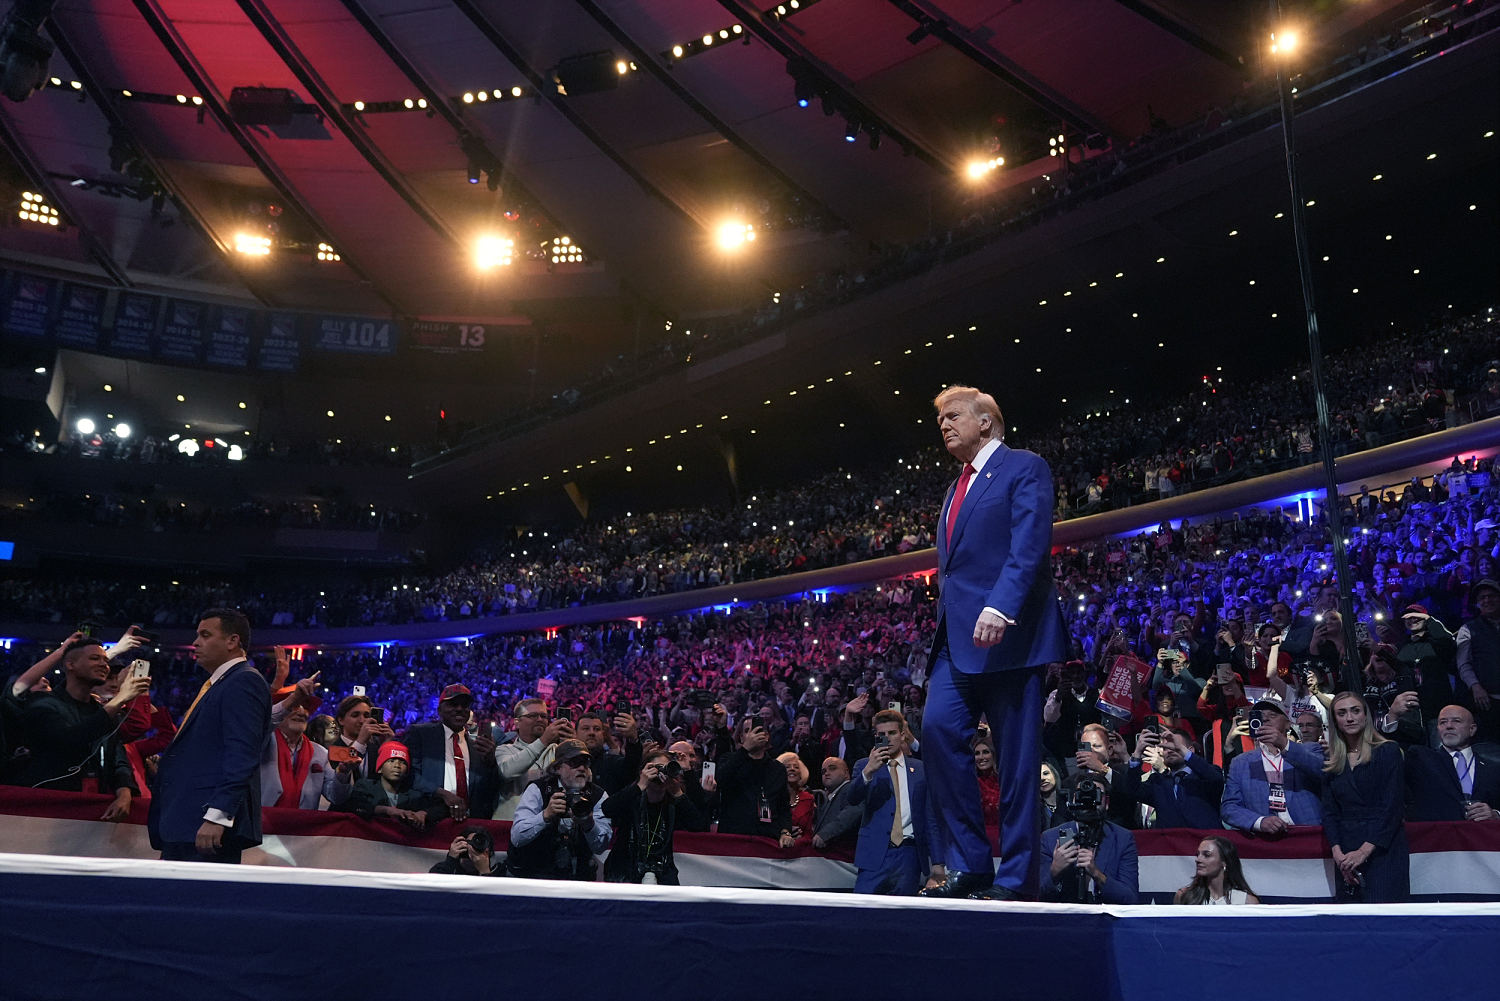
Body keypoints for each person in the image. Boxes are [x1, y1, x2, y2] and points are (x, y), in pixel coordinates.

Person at [922, 385, 1068, 901]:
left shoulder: (1023, 466)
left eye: (953, 415)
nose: (943, 423)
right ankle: (971, 863)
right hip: (955, 641)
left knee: (1017, 765)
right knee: (937, 730)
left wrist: (1001, 605)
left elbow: (1030, 542)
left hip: (1011, 638)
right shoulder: (956, 485)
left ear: (986, 422)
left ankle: (1017, 878)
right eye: (940, 417)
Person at [148, 609, 272, 863]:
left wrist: (218, 816)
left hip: (205, 823)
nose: (195, 643)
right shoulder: (223, 683)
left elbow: (243, 754)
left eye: (205, 635)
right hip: (187, 820)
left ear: (232, 641)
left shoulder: (243, 681)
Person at [8, 637, 149, 801]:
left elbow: (117, 756)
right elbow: (70, 739)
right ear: (70, 665)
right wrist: (120, 699)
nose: (105, 665)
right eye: (95, 658)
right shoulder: (44, 704)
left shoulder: (99, 710)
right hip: (46, 804)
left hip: (92, 805)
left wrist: (124, 790)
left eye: (105, 660)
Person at [1323, 692, 1409, 902]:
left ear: (1365, 716)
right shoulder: (1331, 761)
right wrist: (1337, 852)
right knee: (1351, 923)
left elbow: (1393, 807)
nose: (1349, 718)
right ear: (1335, 721)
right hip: (1345, 852)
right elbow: (1330, 812)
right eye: (1342, 713)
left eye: (1355, 711)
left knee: (1384, 919)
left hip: (1382, 848)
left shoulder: (1388, 751)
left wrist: (1363, 852)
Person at [847, 709, 931, 895]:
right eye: (882, 734)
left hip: (909, 855)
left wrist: (938, 864)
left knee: (902, 917)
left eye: (892, 733)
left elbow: (929, 817)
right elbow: (852, 799)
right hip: (875, 852)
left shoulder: (920, 769)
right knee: (862, 912)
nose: (888, 738)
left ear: (902, 735)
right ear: (876, 736)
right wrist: (868, 772)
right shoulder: (864, 765)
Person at [507, 738, 612, 880]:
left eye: (585, 763)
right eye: (574, 763)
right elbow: (517, 837)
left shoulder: (598, 795)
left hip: (579, 878)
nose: (581, 768)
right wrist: (545, 816)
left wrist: (589, 824)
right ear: (557, 768)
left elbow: (601, 847)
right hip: (536, 875)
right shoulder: (538, 789)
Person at [602, 747, 705, 884]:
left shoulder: (674, 804)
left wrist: (677, 792)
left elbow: (699, 826)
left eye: (664, 768)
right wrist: (640, 784)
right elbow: (607, 809)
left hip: (663, 872)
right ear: (643, 771)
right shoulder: (632, 797)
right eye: (654, 768)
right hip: (626, 872)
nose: (659, 773)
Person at [1220, 701, 1324, 834]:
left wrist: (1284, 744)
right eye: (1260, 716)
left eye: (1273, 715)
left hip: (1309, 836)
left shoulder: (1310, 749)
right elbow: (1229, 807)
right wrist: (1259, 821)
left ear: (1288, 724)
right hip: (1266, 842)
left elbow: (1323, 771)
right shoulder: (1240, 763)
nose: (1265, 718)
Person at [402, 684, 500, 821]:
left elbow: (489, 790)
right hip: (428, 820)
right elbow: (409, 775)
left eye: (464, 705)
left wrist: (491, 762)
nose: (459, 709)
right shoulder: (421, 734)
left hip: (469, 823)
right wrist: (441, 793)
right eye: (453, 704)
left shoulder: (477, 747)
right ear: (439, 710)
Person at [1039, 774, 1139, 904]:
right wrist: (1054, 872)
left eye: (1095, 793)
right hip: (1064, 919)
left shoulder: (1122, 839)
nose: (1088, 798)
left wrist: (1097, 874)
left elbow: (1131, 899)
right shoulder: (1050, 838)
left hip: (1104, 919)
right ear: (1074, 799)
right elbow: (1037, 895)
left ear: (1106, 802)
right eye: (1082, 793)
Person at [1404, 704, 1500, 821]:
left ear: (1472, 729)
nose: (1448, 726)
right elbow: (1389, 755)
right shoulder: (1421, 759)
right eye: (1443, 722)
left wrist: (1496, 814)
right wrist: (1392, 719)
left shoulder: (1494, 768)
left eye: (1456, 721)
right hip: (1438, 835)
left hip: (1481, 835)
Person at [259, 698, 355, 811]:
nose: (301, 712)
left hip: (303, 826)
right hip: (263, 825)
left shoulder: (320, 752)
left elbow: (336, 797)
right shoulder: (262, 743)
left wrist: (342, 774)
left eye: (306, 707)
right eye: (294, 706)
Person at [491, 697, 574, 821]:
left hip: (549, 825)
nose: (540, 719)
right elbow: (507, 772)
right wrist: (543, 740)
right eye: (533, 715)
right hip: (510, 823)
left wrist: (573, 745)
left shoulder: (557, 751)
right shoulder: (504, 750)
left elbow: (578, 779)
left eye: (543, 716)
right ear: (517, 722)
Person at [1125, 727, 1224, 830]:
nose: (1170, 750)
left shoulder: (1206, 776)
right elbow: (1132, 790)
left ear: (1190, 750)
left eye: (1175, 746)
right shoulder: (1158, 781)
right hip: (1170, 843)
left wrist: (1182, 750)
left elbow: (1216, 778)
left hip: (1204, 841)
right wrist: (1137, 754)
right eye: (1166, 747)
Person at [716, 717, 794, 846]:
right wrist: (745, 749)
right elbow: (720, 779)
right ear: (741, 738)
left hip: (767, 840)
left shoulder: (778, 768)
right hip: (733, 840)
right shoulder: (730, 760)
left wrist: (785, 831)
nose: (753, 735)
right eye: (748, 731)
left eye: (758, 731)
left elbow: (783, 808)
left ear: (767, 736)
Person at [342, 741, 442, 830]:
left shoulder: (414, 795)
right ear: (380, 768)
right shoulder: (365, 786)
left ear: (407, 771)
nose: (397, 766)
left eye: (402, 762)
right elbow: (353, 806)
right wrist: (386, 810)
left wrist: (424, 814)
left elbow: (440, 808)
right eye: (391, 761)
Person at [1457, 578, 1500, 741]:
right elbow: (1463, 663)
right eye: (1482, 598)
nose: (1487, 600)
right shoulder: (1468, 629)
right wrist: (1475, 686)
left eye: (1492, 595)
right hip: (1488, 701)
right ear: (1477, 603)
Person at [1174, 836, 1260, 904]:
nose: (1198, 859)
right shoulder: (1183, 896)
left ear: (1224, 862)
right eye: (1198, 854)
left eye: (1207, 855)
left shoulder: (1247, 902)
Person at [811, 756, 861, 851]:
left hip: (844, 854)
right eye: (823, 771)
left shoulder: (850, 789)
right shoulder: (831, 796)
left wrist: (825, 834)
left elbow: (851, 814)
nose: (827, 773)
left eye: (832, 768)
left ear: (846, 773)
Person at [430, 825, 501, 876]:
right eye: (471, 842)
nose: (474, 848)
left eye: (480, 844)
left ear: (488, 851)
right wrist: (450, 860)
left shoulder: (499, 873)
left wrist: (485, 872)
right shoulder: (441, 869)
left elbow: (496, 895)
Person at [776, 750, 815, 842]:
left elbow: (809, 833)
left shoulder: (808, 798)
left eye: (796, 767)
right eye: (787, 767)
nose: (792, 769)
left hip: (800, 848)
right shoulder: (771, 797)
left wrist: (799, 839)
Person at [973, 734, 1001, 828]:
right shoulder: (972, 784)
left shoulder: (1004, 781)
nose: (981, 757)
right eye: (977, 753)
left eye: (985, 752)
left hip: (1005, 836)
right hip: (981, 837)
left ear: (993, 754)